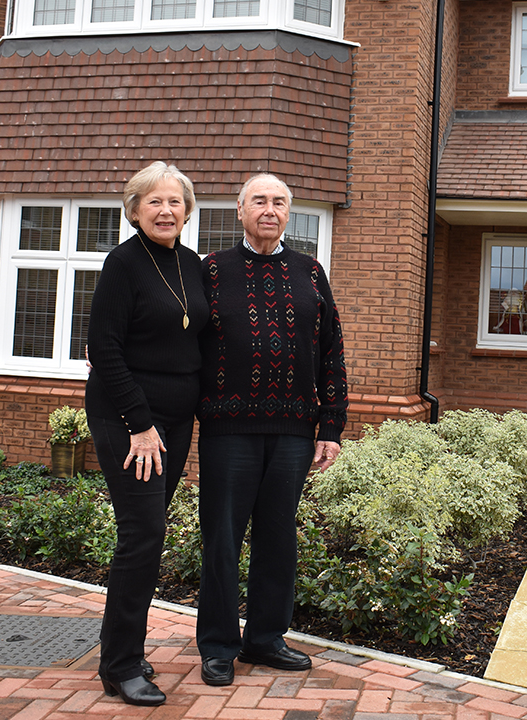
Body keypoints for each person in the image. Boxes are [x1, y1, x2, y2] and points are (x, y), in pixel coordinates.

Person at [195, 173, 348, 686]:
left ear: (289, 213)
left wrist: (331, 425)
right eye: (258, 200)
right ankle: (218, 644)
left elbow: (332, 352)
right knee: (221, 538)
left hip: (292, 431)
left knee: (279, 537)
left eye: (278, 202)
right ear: (239, 210)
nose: (269, 209)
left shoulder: (310, 271)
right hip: (227, 429)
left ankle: (265, 639)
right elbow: (178, 335)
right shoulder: (210, 270)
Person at [85, 161, 209, 706]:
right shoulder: (123, 263)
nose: (166, 211)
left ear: (187, 210)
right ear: (134, 210)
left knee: (149, 531)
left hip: (177, 421)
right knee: (143, 534)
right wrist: (140, 425)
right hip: (128, 419)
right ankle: (118, 665)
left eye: (175, 202)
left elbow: (199, 342)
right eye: (154, 202)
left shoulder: (192, 265)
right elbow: (104, 349)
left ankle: (127, 650)